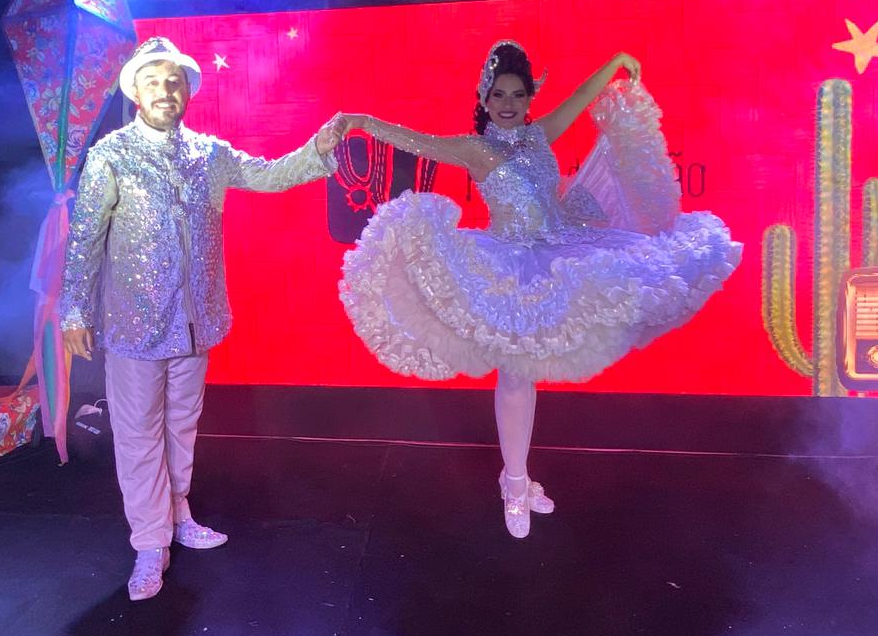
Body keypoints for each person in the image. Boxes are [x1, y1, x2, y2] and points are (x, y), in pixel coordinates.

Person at [338, 40, 740, 538]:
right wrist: (361, 121)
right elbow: (415, 140)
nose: (508, 104)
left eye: (518, 95)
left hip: (564, 250)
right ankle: (513, 485)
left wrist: (614, 62)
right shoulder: (475, 149)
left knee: (540, 363)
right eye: (499, 94)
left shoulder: (539, 135)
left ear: (529, 98)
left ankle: (520, 478)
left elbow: (580, 99)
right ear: (484, 99)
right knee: (514, 375)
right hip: (510, 265)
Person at [60, 36, 345, 601]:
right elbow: (86, 237)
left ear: (187, 90)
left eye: (174, 81)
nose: (165, 91)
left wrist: (317, 149)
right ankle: (149, 543)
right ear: (136, 92)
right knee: (138, 433)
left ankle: (178, 514)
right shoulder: (112, 155)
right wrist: (74, 309)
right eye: (153, 81)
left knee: (181, 424)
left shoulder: (208, 154)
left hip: (196, 318)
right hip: (135, 322)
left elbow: (269, 175)